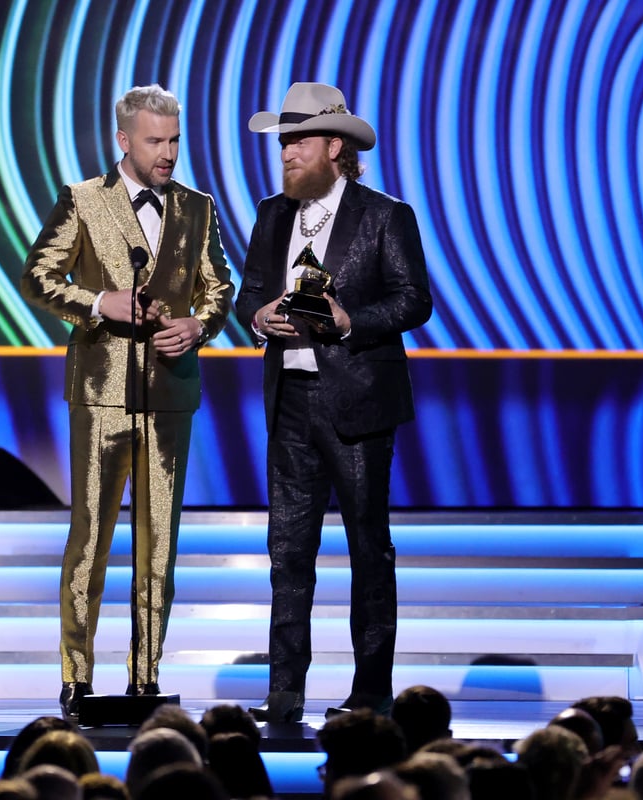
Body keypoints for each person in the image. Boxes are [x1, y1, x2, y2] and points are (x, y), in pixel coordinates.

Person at [21, 84, 234, 716]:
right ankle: (77, 676)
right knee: (90, 537)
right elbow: (38, 275)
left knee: (158, 543)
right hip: (101, 393)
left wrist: (201, 324)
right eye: (155, 142)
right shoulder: (84, 201)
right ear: (124, 140)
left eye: (174, 141)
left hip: (170, 392)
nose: (168, 154)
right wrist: (95, 303)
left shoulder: (197, 207)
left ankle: (145, 677)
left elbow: (218, 287)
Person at [236, 82, 433, 722]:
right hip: (290, 400)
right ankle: (285, 692)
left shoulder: (383, 216)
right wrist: (260, 314)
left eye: (297, 140)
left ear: (335, 146)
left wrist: (350, 322)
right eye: (283, 141)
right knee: (287, 550)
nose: (286, 152)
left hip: (355, 406)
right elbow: (248, 295)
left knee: (366, 549)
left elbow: (413, 300)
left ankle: (371, 692)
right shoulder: (272, 214)